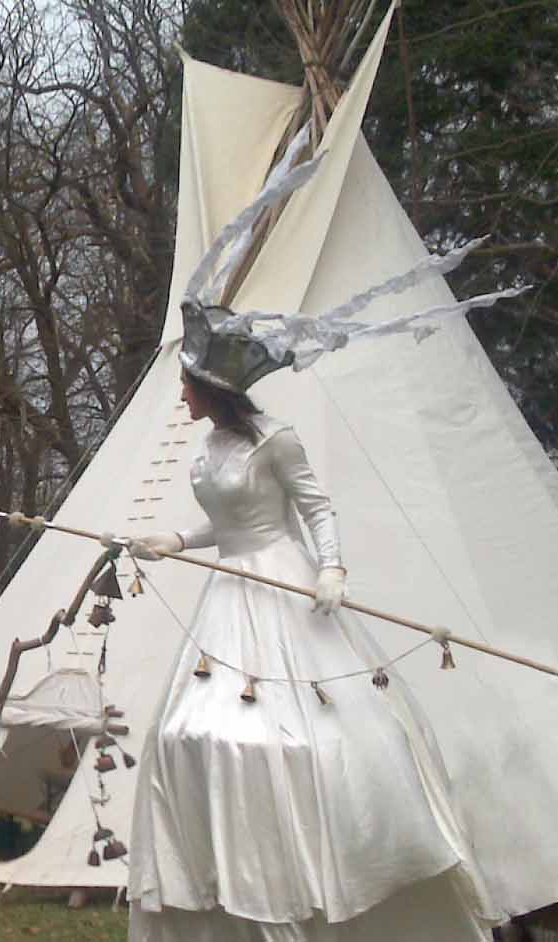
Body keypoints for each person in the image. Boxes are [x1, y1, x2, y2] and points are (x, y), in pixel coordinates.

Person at [122, 303, 499, 941]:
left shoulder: (276, 438)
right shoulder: (212, 445)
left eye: (186, 382)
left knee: (315, 738)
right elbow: (234, 525)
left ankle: (328, 881)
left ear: (211, 386)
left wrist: (331, 569)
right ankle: (222, 893)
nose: (180, 393)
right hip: (230, 595)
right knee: (188, 730)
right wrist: (179, 540)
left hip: (284, 587)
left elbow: (315, 507)